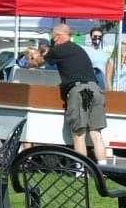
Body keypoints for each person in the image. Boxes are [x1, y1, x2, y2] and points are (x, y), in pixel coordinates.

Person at [45, 23, 109, 161]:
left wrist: (29, 58)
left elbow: (39, 62)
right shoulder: (79, 49)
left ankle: (81, 171)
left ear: (59, 36)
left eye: (54, 38)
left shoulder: (59, 49)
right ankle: (104, 169)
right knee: (96, 134)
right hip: (96, 90)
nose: (53, 41)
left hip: (79, 90)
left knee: (79, 134)